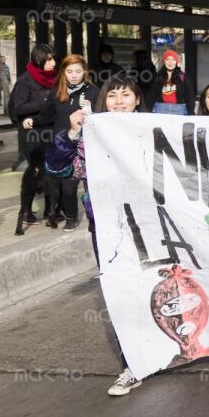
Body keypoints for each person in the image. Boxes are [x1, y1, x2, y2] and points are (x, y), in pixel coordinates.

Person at [53, 74, 148, 396]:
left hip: (151, 225)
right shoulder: (89, 133)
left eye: (126, 95)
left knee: (157, 287)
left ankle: (165, 346)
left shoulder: (153, 129)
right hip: (107, 228)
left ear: (137, 100)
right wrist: (72, 132)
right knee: (121, 291)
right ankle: (132, 363)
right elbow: (56, 167)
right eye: (112, 96)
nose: (118, 101)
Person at [35, 54, 98, 230]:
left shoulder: (93, 91)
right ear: (63, 72)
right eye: (69, 71)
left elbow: (102, 115)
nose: (74, 75)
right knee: (68, 187)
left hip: (88, 147)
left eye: (78, 71)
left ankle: (96, 217)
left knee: (90, 186)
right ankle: (72, 217)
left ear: (84, 71)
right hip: (64, 146)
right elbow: (46, 115)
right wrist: (31, 121)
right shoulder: (56, 92)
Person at [9, 43, 57, 218]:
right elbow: (18, 108)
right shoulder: (25, 80)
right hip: (31, 133)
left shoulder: (55, 78)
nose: (53, 63)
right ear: (39, 59)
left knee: (50, 169)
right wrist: (43, 102)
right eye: (49, 59)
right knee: (35, 170)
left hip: (50, 129)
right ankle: (26, 211)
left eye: (53, 59)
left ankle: (49, 210)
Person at [148, 49, 194, 115]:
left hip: (179, 109)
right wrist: (148, 111)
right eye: (167, 59)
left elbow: (190, 97)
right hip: (161, 108)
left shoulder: (182, 77)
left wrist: (191, 113)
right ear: (164, 62)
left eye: (173, 59)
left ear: (176, 62)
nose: (170, 62)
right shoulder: (158, 77)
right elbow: (151, 95)